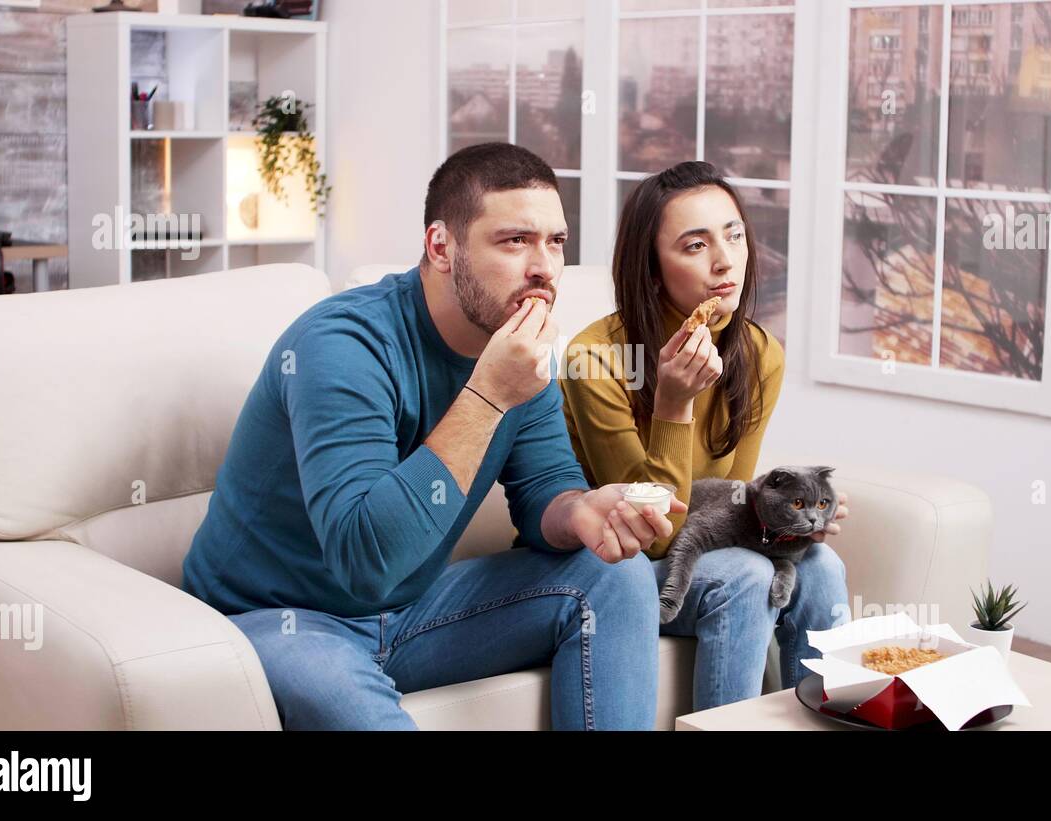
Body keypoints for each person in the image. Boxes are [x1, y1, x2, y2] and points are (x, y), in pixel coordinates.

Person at [182, 143, 684, 730]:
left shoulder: (516, 350)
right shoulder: (342, 347)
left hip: (413, 607)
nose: (545, 267)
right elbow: (363, 560)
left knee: (615, 576)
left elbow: (544, 487)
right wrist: (489, 393)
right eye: (515, 240)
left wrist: (579, 512)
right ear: (441, 246)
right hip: (280, 618)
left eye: (556, 241)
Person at [560, 161, 851, 711]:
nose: (726, 261)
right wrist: (673, 406)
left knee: (822, 564)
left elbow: (737, 504)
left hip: (703, 547)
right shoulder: (595, 359)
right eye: (695, 246)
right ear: (651, 269)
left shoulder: (760, 354)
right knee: (743, 572)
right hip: (616, 570)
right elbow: (656, 535)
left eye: (734, 234)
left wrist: (787, 518)